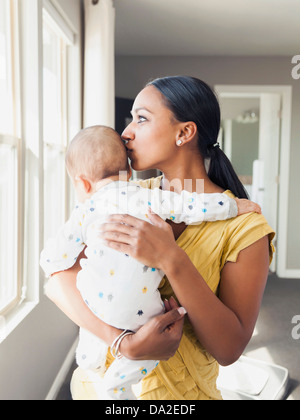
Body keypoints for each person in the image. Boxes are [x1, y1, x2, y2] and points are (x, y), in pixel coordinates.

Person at [45, 76, 275, 400]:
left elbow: (229, 349)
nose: (125, 132)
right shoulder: (123, 196)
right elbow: (57, 281)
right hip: (95, 387)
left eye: (142, 118)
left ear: (184, 132)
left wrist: (171, 258)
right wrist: (123, 343)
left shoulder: (245, 228)